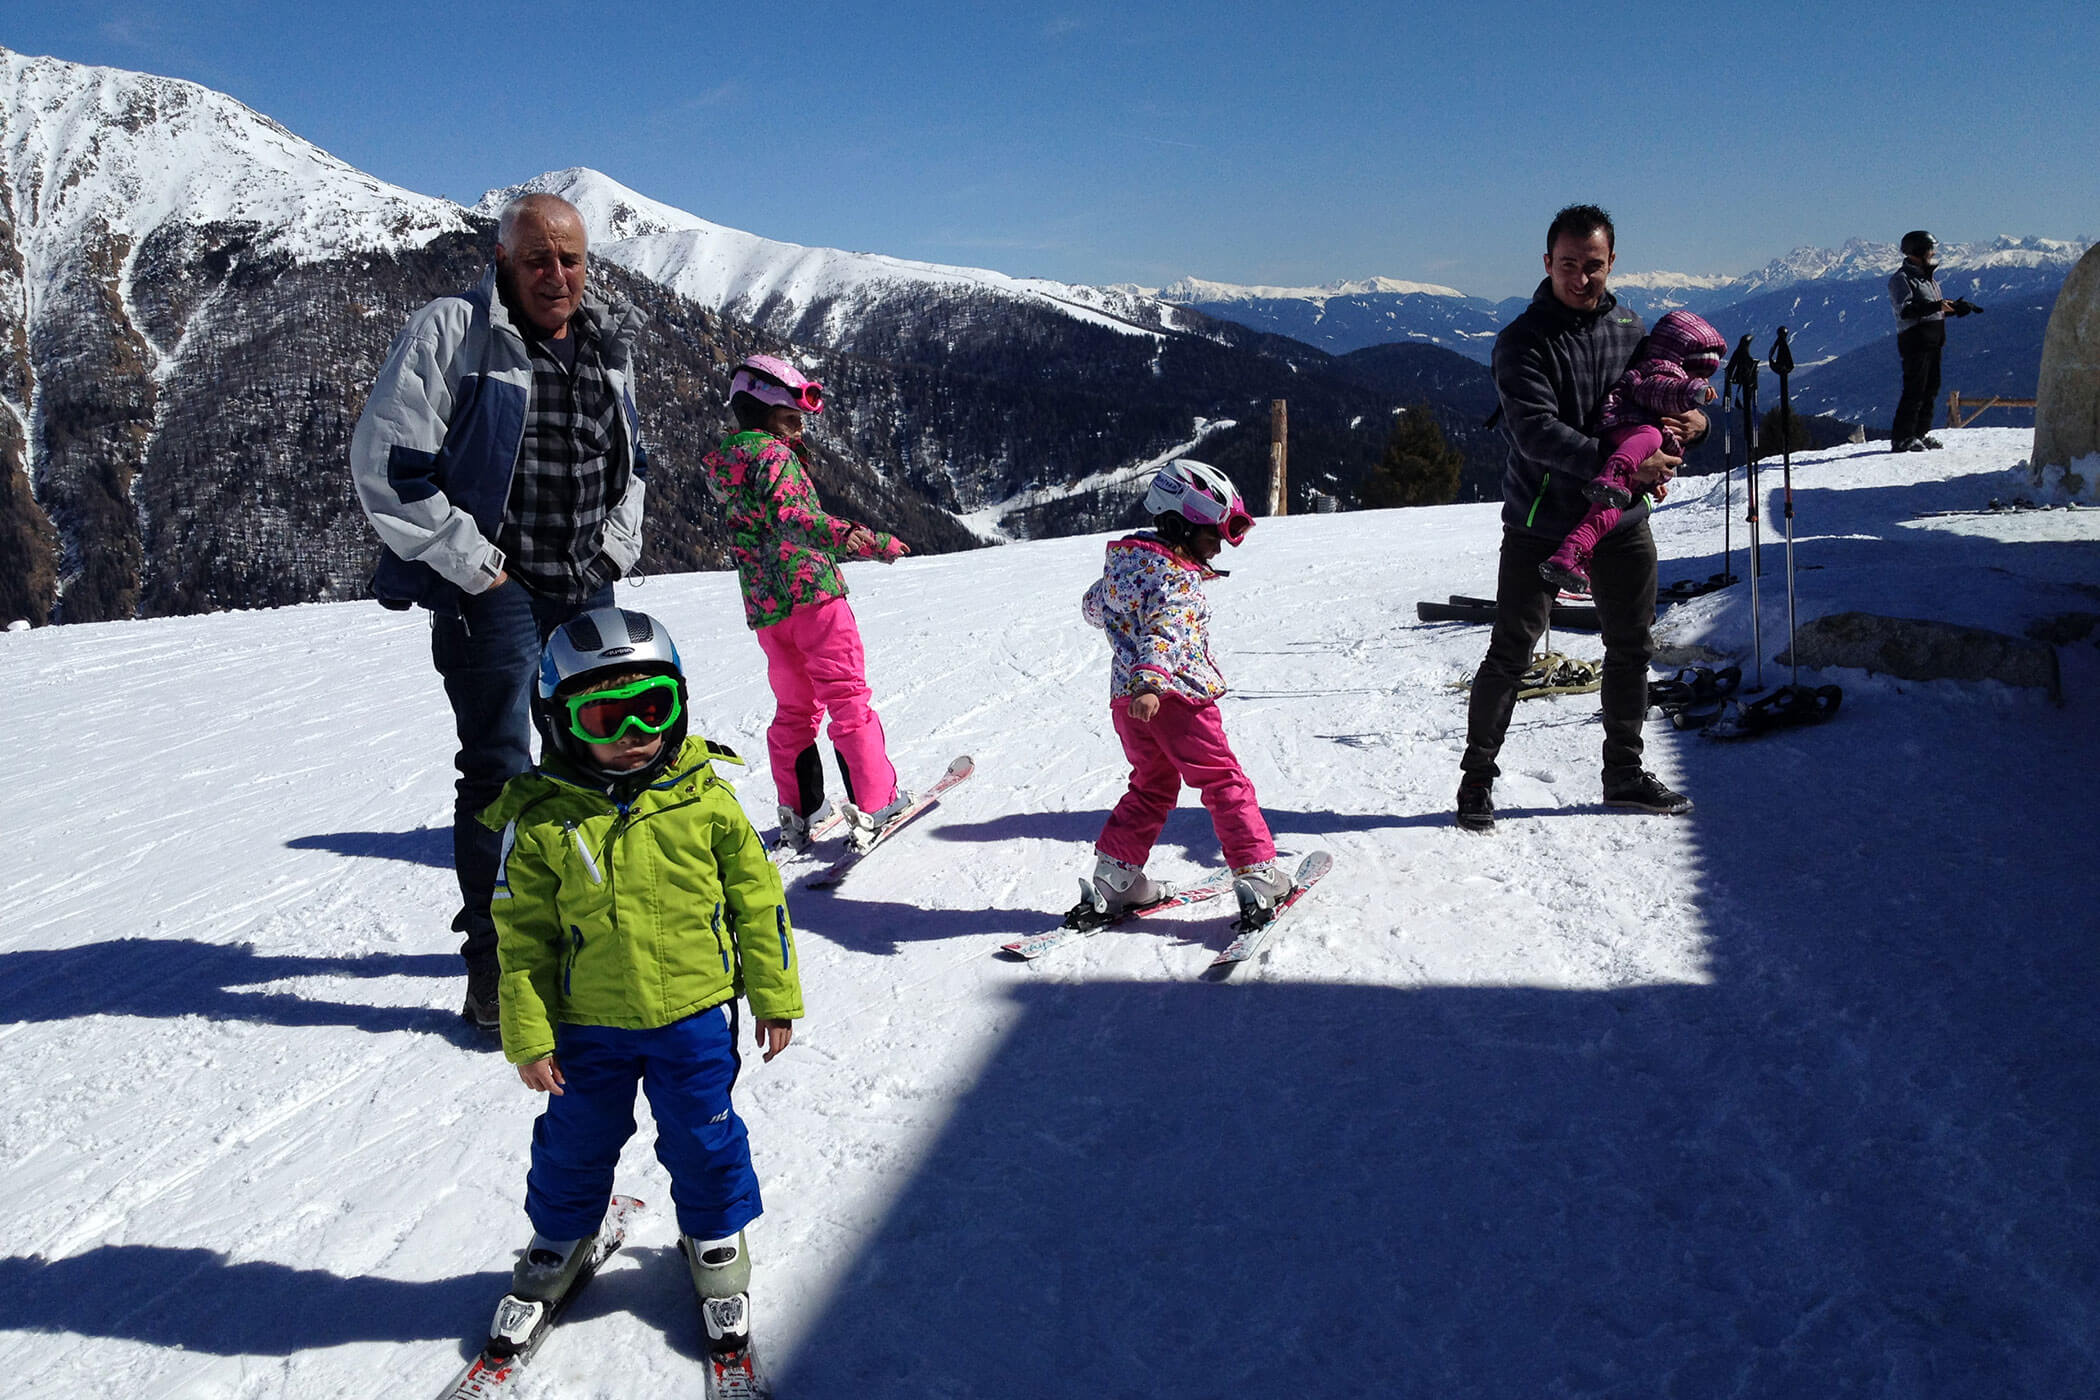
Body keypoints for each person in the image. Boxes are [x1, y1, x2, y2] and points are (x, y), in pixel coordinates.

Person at [350, 192, 647, 1031]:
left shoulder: (606, 346)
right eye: (538, 259)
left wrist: (616, 549)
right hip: (499, 588)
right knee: (500, 774)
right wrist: (474, 566)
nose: (557, 275)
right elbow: (388, 462)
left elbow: (635, 464)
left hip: (586, 582)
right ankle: (498, 968)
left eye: (572, 259)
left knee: (593, 760)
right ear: (503, 263)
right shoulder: (455, 331)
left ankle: (580, 940)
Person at [483, 606, 800, 1359]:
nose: (633, 733)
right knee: (573, 1140)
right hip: (585, 1027)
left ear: (679, 704)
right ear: (561, 722)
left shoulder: (704, 799)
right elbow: (520, 941)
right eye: (604, 716)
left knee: (703, 1133)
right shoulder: (540, 823)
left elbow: (760, 904)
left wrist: (775, 993)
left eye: (651, 708)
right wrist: (527, 1034)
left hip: (693, 1018)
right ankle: (561, 1235)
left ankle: (715, 1233)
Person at [1456, 204, 1705, 832]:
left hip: (1623, 519)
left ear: (1612, 262)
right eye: (1568, 264)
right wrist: (1623, 466)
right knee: (1510, 652)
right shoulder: (1521, 340)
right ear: (1546, 263)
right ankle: (1477, 781)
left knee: (1630, 647)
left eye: (1593, 265)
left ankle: (1623, 772)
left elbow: (1653, 394)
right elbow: (1536, 434)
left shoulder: (1630, 326)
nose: (1581, 277)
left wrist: (1690, 425)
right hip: (1543, 520)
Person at [702, 355, 912, 852]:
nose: (800, 429)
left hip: (768, 610)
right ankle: (878, 802)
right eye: (792, 417)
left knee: (795, 708)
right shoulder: (772, 457)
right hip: (814, 597)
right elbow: (793, 519)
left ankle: (800, 810)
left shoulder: (727, 462)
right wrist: (868, 541)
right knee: (847, 698)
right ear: (765, 409)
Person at [1079, 459, 1293, 923]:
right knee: (1221, 780)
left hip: (1128, 703)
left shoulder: (1124, 565)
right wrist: (1153, 680)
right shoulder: (1178, 579)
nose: (1217, 548)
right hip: (1177, 698)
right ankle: (1257, 875)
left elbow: (1093, 607)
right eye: (1212, 535)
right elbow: (1166, 631)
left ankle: (1115, 880)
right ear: (1179, 523)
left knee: (1151, 785)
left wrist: (1137, 678)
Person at [1538, 310, 1727, 590]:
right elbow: (1660, 391)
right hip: (1623, 423)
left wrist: (1653, 480)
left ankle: (1573, 554)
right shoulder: (1659, 372)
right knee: (1649, 435)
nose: (1705, 381)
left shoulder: (1629, 325)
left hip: (1632, 476)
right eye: (1699, 373)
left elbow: (1679, 431)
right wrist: (1692, 391)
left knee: (1610, 510)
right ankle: (1615, 471)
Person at [1888, 230, 1979, 452]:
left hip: (1933, 340)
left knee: (1931, 389)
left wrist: (1955, 309)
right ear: (1918, 250)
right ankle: (1902, 438)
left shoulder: (1927, 277)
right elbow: (1907, 311)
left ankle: (1919, 434)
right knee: (1914, 389)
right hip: (1915, 341)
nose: (1933, 252)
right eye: (1930, 248)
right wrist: (1938, 306)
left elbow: (1932, 310)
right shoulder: (1901, 279)